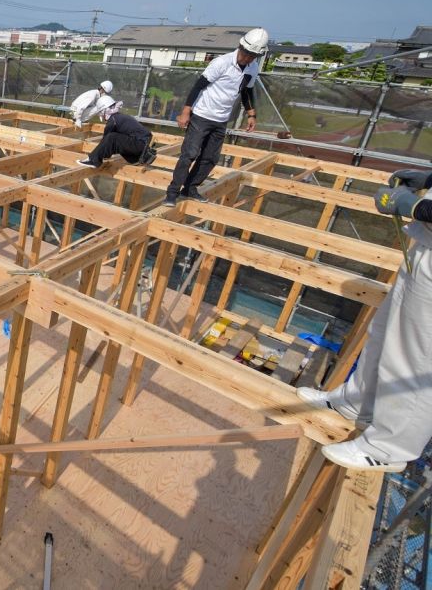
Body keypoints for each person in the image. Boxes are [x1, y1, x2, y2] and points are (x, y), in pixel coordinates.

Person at [297, 168, 432, 472]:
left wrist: (417, 207)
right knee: (384, 334)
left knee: (419, 359)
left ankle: (388, 447)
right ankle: (355, 402)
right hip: (425, 245)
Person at [163, 27, 269, 207]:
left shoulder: (252, 68)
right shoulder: (222, 63)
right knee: (189, 154)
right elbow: (198, 86)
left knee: (210, 158)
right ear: (240, 46)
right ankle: (172, 193)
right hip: (202, 116)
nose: (248, 58)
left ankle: (190, 189)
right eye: (247, 54)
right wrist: (186, 111)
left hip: (221, 120)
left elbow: (246, 92)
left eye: (253, 56)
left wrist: (251, 114)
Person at [76, 95, 156, 168]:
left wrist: (94, 156)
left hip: (141, 147)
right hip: (142, 145)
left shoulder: (113, 121)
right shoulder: (118, 117)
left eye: (100, 112)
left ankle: (93, 161)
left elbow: (105, 141)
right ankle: (94, 159)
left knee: (112, 137)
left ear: (104, 110)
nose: (100, 115)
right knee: (115, 138)